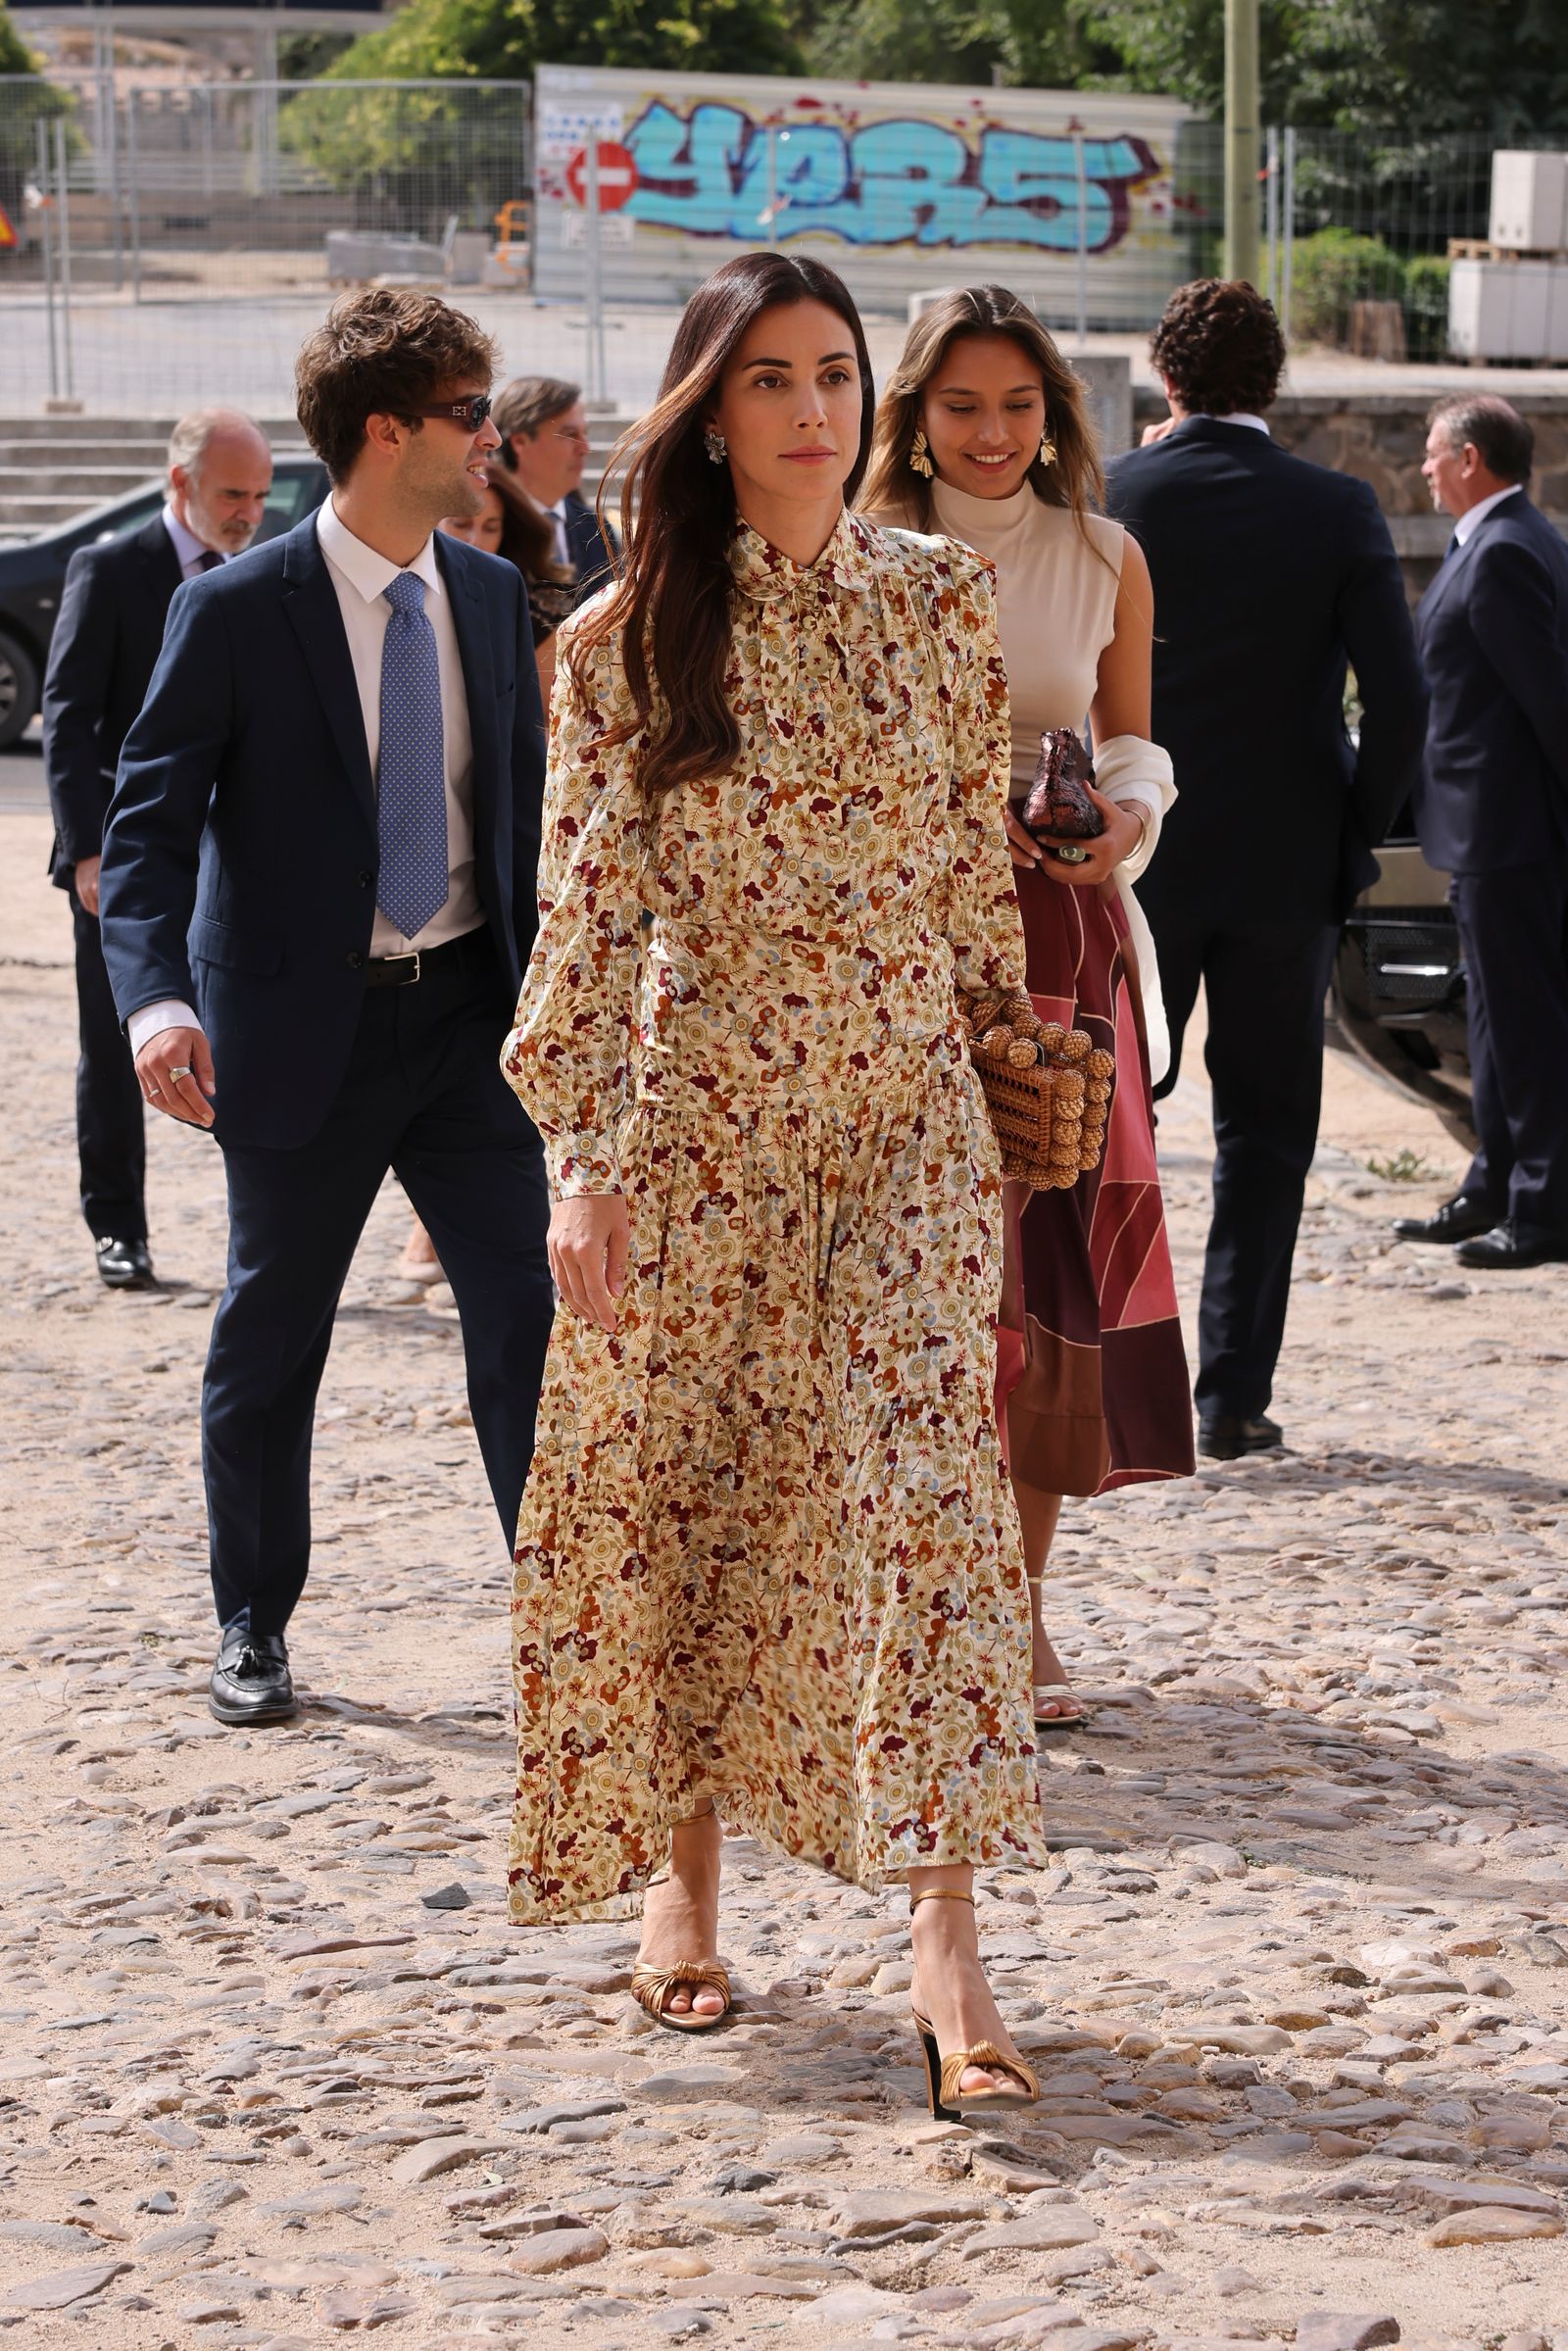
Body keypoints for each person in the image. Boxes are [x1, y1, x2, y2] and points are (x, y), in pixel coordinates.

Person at [503, 251, 1048, 2118]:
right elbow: (584, 924)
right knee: (709, 1496)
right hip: (705, 1127)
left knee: (930, 1504)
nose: (818, 408)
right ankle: (684, 1872)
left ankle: (945, 1933)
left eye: (836, 375)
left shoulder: (944, 602)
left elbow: (975, 888)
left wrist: (1016, 1058)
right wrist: (581, 1162)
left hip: (907, 1121)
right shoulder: (618, 642)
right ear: (709, 416)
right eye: (772, 381)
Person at [97, 288, 554, 1730]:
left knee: (533, 1326)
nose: (495, 437)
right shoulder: (233, 608)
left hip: (475, 1025)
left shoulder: (484, 593)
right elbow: (153, 825)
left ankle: (567, 1624)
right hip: (302, 1033)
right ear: (387, 431)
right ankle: (253, 1622)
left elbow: (533, 815)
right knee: (272, 1330)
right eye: (473, 413)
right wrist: (155, 1003)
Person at [862, 285, 1193, 1733]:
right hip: (894, 948)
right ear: (917, 414)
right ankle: (886, 1598)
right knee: (905, 1277)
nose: (993, 434)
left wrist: (1124, 819)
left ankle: (1024, 1602)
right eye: (962, 405)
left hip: (1062, 940)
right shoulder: (850, 552)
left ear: (1057, 412)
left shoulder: (1106, 551)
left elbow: (1131, 739)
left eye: (1019, 405)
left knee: (1049, 1274)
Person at [1105, 279, 1427, 1461]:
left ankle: (1092, 1376)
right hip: (1287, 859)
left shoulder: (1115, 491)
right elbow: (1398, 703)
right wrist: (1352, 835)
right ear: (1275, 380)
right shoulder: (1336, 504)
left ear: (1165, 375)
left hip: (1130, 856)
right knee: (1266, 1129)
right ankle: (1230, 1395)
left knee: (1098, 1122)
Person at [41, 409, 273, 1291]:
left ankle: (256, 1234)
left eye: (258, 494)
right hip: (126, 859)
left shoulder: (262, 565)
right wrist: (89, 850)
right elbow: (67, 720)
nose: (251, 511)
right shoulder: (109, 567)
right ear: (180, 484)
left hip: (234, 857)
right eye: (232, 494)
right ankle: (119, 1228)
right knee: (115, 1042)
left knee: (243, 1039)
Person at [1394, 396, 1568, 1270]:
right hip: (1485, 832)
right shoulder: (1501, 541)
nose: (1423, 468)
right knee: (1496, 1020)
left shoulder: (1504, 552)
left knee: (1526, 1022)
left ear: (1469, 458)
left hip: (1513, 832)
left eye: (1432, 454)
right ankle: (1495, 1184)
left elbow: (1550, 702)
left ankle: (1543, 1208)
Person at [491, 375, 618, 601]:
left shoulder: (596, 530)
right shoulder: (485, 527)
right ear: (520, 442)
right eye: (570, 435)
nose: (585, 448)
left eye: (584, 433)